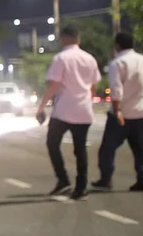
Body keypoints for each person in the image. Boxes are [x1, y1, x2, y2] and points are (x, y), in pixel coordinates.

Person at [35, 26, 101, 200]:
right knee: (80, 149)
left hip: (63, 111)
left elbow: (54, 85)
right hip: (83, 111)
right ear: (78, 39)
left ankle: (63, 179)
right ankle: (81, 187)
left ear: (64, 39)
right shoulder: (90, 59)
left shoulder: (61, 58)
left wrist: (41, 107)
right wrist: (88, 99)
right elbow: (94, 85)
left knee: (52, 143)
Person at [93, 32, 143, 192]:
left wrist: (117, 110)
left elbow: (116, 90)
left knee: (108, 148)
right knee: (141, 148)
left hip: (122, 114)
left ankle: (106, 178)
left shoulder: (117, 63)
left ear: (117, 46)